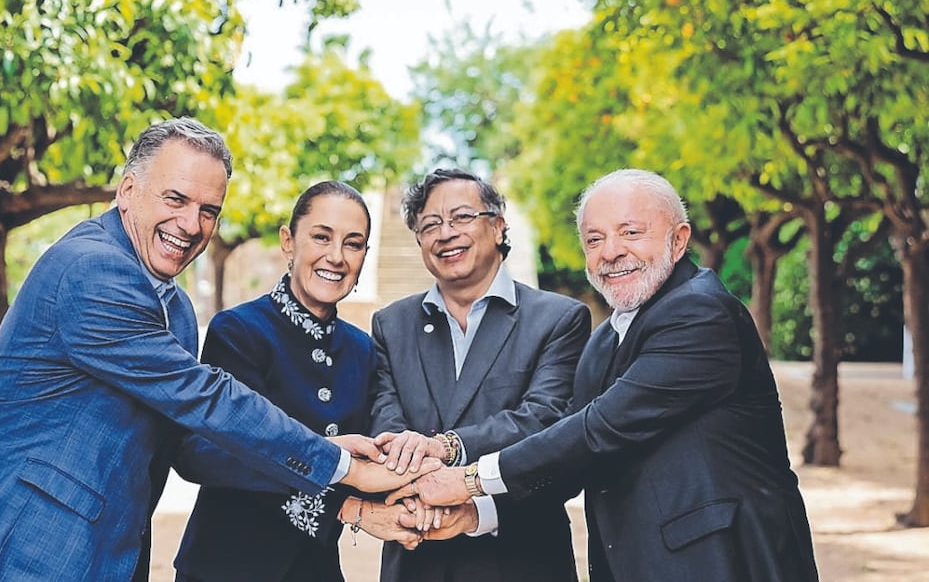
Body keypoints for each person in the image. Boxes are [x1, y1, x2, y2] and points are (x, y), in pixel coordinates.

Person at [0, 117, 432, 582]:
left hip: (91, 553)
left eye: (208, 210)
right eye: (175, 199)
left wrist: (357, 500)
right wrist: (339, 464)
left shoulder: (173, 306)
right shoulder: (93, 268)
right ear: (127, 191)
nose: (190, 224)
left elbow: (188, 445)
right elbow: (206, 398)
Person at [391, 169, 820, 581]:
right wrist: (476, 514)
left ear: (679, 239)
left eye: (631, 232)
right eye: (595, 239)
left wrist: (467, 479)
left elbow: (600, 429)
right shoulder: (602, 342)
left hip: (726, 563)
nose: (611, 251)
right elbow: (572, 461)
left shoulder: (702, 312)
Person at [171, 180, 420, 582]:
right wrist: (327, 467)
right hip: (226, 566)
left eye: (353, 244)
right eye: (321, 237)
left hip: (316, 568)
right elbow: (199, 453)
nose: (336, 257)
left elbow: (370, 459)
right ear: (288, 242)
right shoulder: (238, 331)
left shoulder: (362, 349)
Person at [368, 168, 592, 581]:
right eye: (430, 224)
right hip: (417, 556)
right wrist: (415, 485)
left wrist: (446, 448)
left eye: (461, 217)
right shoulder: (390, 324)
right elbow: (386, 421)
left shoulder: (558, 319)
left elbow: (543, 421)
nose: (445, 233)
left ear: (498, 226)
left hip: (521, 556)